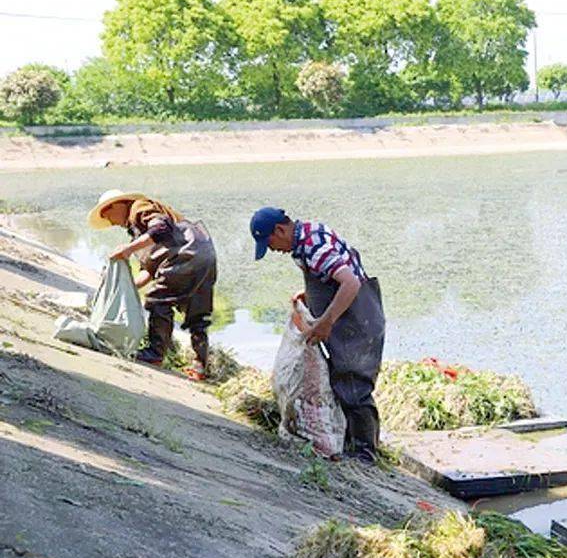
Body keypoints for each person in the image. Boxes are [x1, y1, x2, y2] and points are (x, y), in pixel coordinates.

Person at [249, 207, 385, 463]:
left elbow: (351, 283)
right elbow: (327, 277)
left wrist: (326, 321)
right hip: (346, 318)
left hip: (359, 319)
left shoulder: (313, 248)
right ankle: (346, 440)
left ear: (280, 230)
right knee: (339, 377)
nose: (274, 250)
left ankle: (366, 452)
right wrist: (308, 296)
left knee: (354, 383)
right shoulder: (304, 240)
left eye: (271, 243)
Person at [88, 190, 217, 380]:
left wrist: (128, 249)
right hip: (204, 255)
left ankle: (155, 354)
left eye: (109, 217)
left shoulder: (138, 207)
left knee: (158, 301)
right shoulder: (138, 234)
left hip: (184, 255)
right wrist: (123, 287)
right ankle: (200, 367)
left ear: (117, 205)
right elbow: (148, 272)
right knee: (197, 315)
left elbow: (160, 228)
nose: (113, 223)